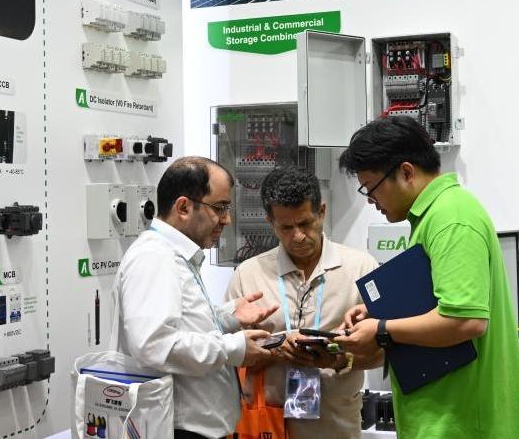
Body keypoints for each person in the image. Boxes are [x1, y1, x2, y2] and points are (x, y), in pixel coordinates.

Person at [333, 116, 519, 439]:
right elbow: (439, 302)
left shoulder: (451, 218)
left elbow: (465, 321)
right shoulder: (434, 216)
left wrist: (381, 329)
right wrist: (379, 313)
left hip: (463, 426)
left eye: (372, 188)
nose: (370, 200)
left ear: (406, 172)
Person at [115, 156, 280, 439]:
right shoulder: (155, 257)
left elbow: (180, 325)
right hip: (177, 431)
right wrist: (233, 348)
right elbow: (153, 344)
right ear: (183, 207)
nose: (227, 219)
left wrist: (226, 317)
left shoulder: (174, 255)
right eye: (220, 208)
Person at [225, 166, 381, 439]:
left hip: (336, 428)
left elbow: (383, 352)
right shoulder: (248, 275)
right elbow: (225, 355)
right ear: (270, 221)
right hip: (266, 427)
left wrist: (337, 359)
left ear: (321, 212)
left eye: (306, 223)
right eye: (286, 227)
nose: (298, 236)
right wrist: (274, 348)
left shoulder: (361, 269)